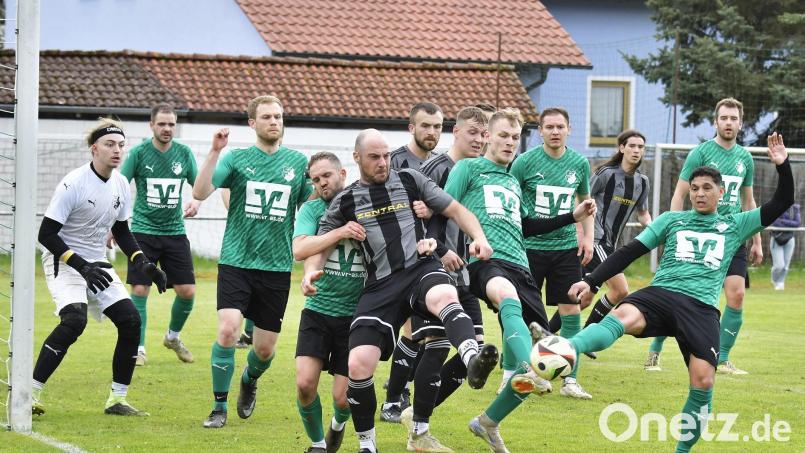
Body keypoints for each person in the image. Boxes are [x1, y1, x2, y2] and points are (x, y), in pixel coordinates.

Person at [567, 132, 792, 453]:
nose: (699, 194)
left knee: (703, 383)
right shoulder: (672, 220)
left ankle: (682, 451)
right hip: (661, 295)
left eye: (707, 189)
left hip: (700, 308)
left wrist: (782, 166)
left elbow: (781, 203)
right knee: (621, 316)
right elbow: (628, 252)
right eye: (695, 189)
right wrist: (591, 280)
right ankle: (562, 348)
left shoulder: (736, 225)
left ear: (721, 192)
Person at [311, 129, 499, 453]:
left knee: (445, 297)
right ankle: (367, 444)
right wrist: (312, 270)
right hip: (380, 285)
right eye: (374, 157)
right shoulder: (346, 200)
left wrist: (478, 236)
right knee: (358, 364)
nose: (383, 162)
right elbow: (323, 240)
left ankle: (471, 357)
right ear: (357, 158)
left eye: (386, 155)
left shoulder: (410, 179)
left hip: (420, 266)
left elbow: (455, 209)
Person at [439, 108, 595, 453]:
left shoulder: (511, 181)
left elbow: (527, 226)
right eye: (503, 136)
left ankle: (488, 422)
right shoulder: (468, 168)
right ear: (487, 137)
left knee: (545, 356)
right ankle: (528, 368)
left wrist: (573, 216)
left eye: (514, 137)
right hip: (484, 259)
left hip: (521, 266)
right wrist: (443, 249)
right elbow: (445, 206)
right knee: (508, 300)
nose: (510, 142)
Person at [193, 95, 312, 429]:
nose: (274, 122)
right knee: (228, 330)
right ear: (252, 123)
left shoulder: (297, 163)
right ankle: (218, 407)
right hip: (236, 262)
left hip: (276, 268)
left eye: (278, 116)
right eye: (267, 117)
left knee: (263, 351)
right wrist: (215, 151)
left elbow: (316, 205)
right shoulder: (237, 158)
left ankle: (249, 379)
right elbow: (201, 192)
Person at [33, 119, 167, 416]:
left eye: (121, 145)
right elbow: (46, 235)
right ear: (94, 149)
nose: (117, 150)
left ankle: (116, 400)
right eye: (110, 144)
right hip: (64, 260)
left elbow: (121, 231)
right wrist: (80, 265)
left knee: (131, 320)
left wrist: (144, 264)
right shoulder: (74, 183)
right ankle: (28, 394)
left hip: (97, 262)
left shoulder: (120, 183)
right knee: (73, 322)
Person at [396, 106, 490, 452]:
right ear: (456, 131)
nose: (480, 140)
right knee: (435, 347)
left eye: (484, 135)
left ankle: (414, 416)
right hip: (431, 271)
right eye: (473, 133)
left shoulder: (476, 170)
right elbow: (410, 218)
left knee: (475, 352)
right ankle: (418, 431)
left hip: (462, 274)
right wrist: (438, 252)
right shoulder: (435, 168)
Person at [646, 98, 760, 375]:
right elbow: (680, 194)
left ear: (740, 123)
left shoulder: (745, 158)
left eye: (733, 118)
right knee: (677, 293)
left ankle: (721, 359)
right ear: (716, 121)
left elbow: (749, 201)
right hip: (697, 236)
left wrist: (756, 240)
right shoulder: (701, 153)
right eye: (724, 118)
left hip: (731, 237)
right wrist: (673, 230)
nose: (729, 123)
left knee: (737, 296)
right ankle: (654, 351)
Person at [509, 107, 594, 399]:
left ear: (569, 129)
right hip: (529, 250)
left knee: (571, 312)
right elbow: (511, 200)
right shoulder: (524, 162)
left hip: (565, 250)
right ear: (540, 131)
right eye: (549, 127)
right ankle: (515, 372)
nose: (555, 132)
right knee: (520, 314)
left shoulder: (579, 163)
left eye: (560, 127)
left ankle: (570, 380)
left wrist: (587, 238)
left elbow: (586, 202)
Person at [293, 152, 365, 453]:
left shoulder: (366, 204)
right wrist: (340, 232)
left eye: (327, 176)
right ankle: (319, 444)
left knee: (342, 397)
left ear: (343, 173)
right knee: (305, 384)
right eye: (316, 179)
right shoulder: (312, 210)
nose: (323, 182)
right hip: (319, 310)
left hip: (356, 316)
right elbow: (301, 249)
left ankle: (337, 424)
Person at [119, 103, 200, 366]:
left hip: (175, 233)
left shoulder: (184, 153)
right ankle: (139, 349)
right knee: (141, 289)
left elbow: (198, 186)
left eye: (171, 124)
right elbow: (119, 187)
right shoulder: (139, 153)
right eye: (162, 124)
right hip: (143, 232)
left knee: (187, 291)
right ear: (151, 125)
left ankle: (173, 337)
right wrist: (112, 225)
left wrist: (197, 201)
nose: (167, 129)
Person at [381, 101, 445, 421]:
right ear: (412, 128)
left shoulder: (443, 165)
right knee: (412, 327)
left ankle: (397, 392)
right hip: (397, 256)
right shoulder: (392, 161)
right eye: (425, 126)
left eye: (437, 127)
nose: (432, 132)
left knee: (421, 328)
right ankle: (394, 394)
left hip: (432, 255)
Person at [581, 130, 652, 329]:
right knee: (620, 290)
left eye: (640, 147)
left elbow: (643, 214)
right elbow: (581, 198)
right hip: (595, 240)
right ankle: (588, 335)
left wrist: (658, 230)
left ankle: (547, 331)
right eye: (632, 146)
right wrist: (581, 232)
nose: (636, 150)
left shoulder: (642, 182)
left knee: (584, 298)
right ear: (622, 148)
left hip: (612, 244)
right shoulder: (606, 173)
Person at [770, 203, 800, 290]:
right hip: (777, 238)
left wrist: (783, 222)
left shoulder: (795, 208)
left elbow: (797, 223)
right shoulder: (775, 206)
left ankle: (780, 283)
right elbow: (775, 222)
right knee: (779, 265)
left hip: (790, 238)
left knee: (785, 266)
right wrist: (789, 224)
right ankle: (774, 279)